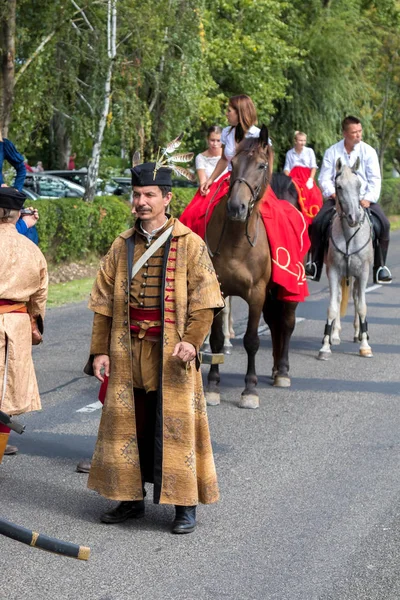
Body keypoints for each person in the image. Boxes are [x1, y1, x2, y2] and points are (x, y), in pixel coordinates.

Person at [84, 161, 224, 534]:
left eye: (149, 195)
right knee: (134, 425)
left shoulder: (190, 244)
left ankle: (184, 505)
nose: (141, 202)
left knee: (175, 428)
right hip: (127, 349)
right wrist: (100, 350)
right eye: (137, 195)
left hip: (172, 352)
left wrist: (192, 342)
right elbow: (101, 304)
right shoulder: (121, 245)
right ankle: (130, 499)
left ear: (167, 198)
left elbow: (205, 302)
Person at [306, 116, 392, 284]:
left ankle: (380, 267)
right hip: (337, 198)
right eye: (354, 132)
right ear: (345, 133)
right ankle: (314, 265)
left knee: (384, 224)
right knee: (317, 223)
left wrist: (368, 198)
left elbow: (375, 179)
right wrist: (333, 194)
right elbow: (324, 178)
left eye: (360, 131)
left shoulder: (369, 152)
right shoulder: (332, 151)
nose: (358, 135)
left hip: (363, 200)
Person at [180, 94, 272, 239]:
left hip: (253, 182)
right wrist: (210, 180)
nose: (226, 114)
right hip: (229, 179)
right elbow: (224, 159)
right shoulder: (227, 132)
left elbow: (267, 166)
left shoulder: (258, 135)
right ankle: (195, 250)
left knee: (275, 219)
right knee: (194, 212)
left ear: (239, 112)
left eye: (229, 111)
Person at [0, 188, 48, 461]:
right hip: (18, 323)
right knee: (7, 393)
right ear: (18, 213)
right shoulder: (32, 250)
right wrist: (35, 326)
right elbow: (39, 297)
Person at [283, 131, 323, 225]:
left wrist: (310, 179)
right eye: (300, 140)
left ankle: (313, 220)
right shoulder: (290, 153)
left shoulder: (309, 151)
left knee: (313, 195)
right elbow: (287, 168)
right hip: (294, 177)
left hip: (306, 176)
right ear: (295, 141)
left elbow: (313, 166)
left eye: (304, 141)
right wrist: (287, 179)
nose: (302, 143)